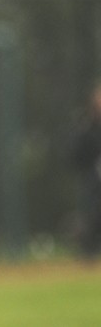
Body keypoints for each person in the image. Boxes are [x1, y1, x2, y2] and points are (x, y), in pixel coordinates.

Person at [71, 84, 101, 260]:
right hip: (93, 180)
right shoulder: (87, 127)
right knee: (91, 214)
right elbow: (76, 153)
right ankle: (88, 253)